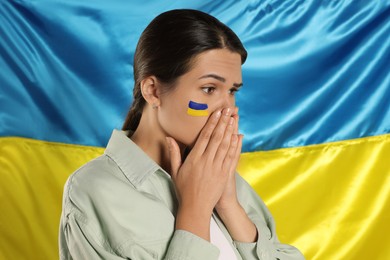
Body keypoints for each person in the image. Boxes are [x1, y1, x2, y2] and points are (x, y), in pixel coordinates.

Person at [59, 9, 305, 260]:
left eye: (232, 91)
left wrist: (229, 206)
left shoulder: (224, 178)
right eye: (209, 89)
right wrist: (195, 210)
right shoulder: (94, 190)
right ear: (153, 91)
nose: (228, 109)